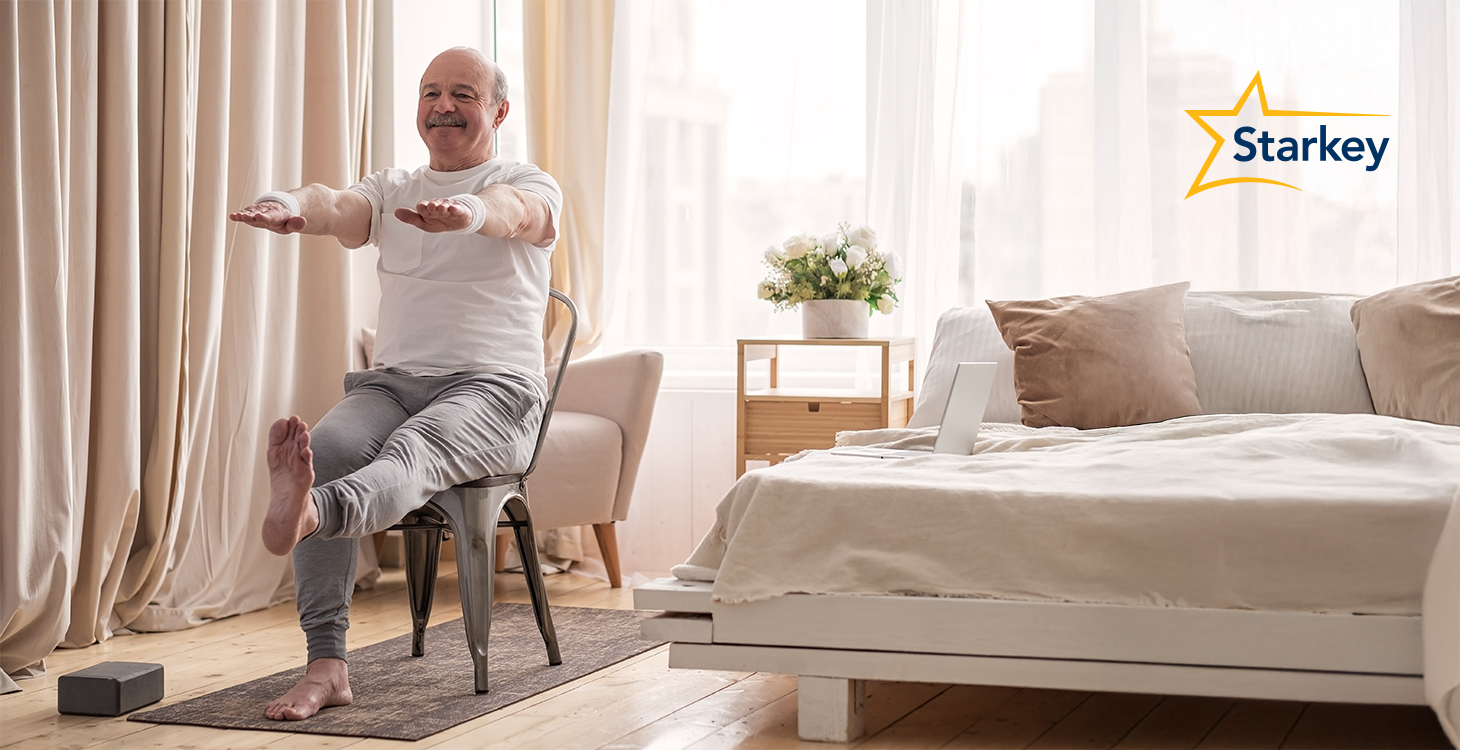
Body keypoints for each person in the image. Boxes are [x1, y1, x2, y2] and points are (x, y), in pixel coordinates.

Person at [228, 47, 560, 721]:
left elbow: (514, 211)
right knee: (325, 447)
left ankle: (315, 512)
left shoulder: (528, 180)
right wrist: (288, 204)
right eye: (431, 92)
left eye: (463, 94)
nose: (443, 105)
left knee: (416, 453)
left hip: (495, 391)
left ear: (498, 110)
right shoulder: (397, 187)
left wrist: (467, 214)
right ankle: (329, 667)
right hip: (393, 383)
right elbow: (339, 205)